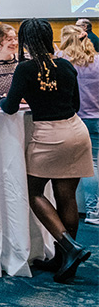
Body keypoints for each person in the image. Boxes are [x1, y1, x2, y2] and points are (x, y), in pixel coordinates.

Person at [0, 19, 93, 283]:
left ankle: (69, 248)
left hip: (49, 136)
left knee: (33, 192)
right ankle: (65, 260)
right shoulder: (64, 64)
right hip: (76, 131)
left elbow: (10, 107)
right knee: (67, 197)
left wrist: (0, 100)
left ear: (27, 40)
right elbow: (75, 102)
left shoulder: (26, 68)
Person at [57, 25, 99, 225]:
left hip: (74, 119)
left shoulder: (64, 64)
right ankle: (93, 210)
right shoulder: (98, 61)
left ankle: (89, 210)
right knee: (95, 164)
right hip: (97, 117)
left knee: (79, 167)